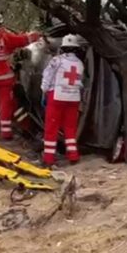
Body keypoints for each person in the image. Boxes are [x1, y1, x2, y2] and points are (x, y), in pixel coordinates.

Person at [41, 34, 85, 166]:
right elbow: (81, 82)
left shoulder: (57, 60)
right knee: (70, 128)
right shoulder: (80, 63)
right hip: (73, 98)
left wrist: (44, 91)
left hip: (57, 96)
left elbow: (47, 76)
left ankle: (48, 158)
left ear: (63, 48)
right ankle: (73, 156)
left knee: (51, 128)